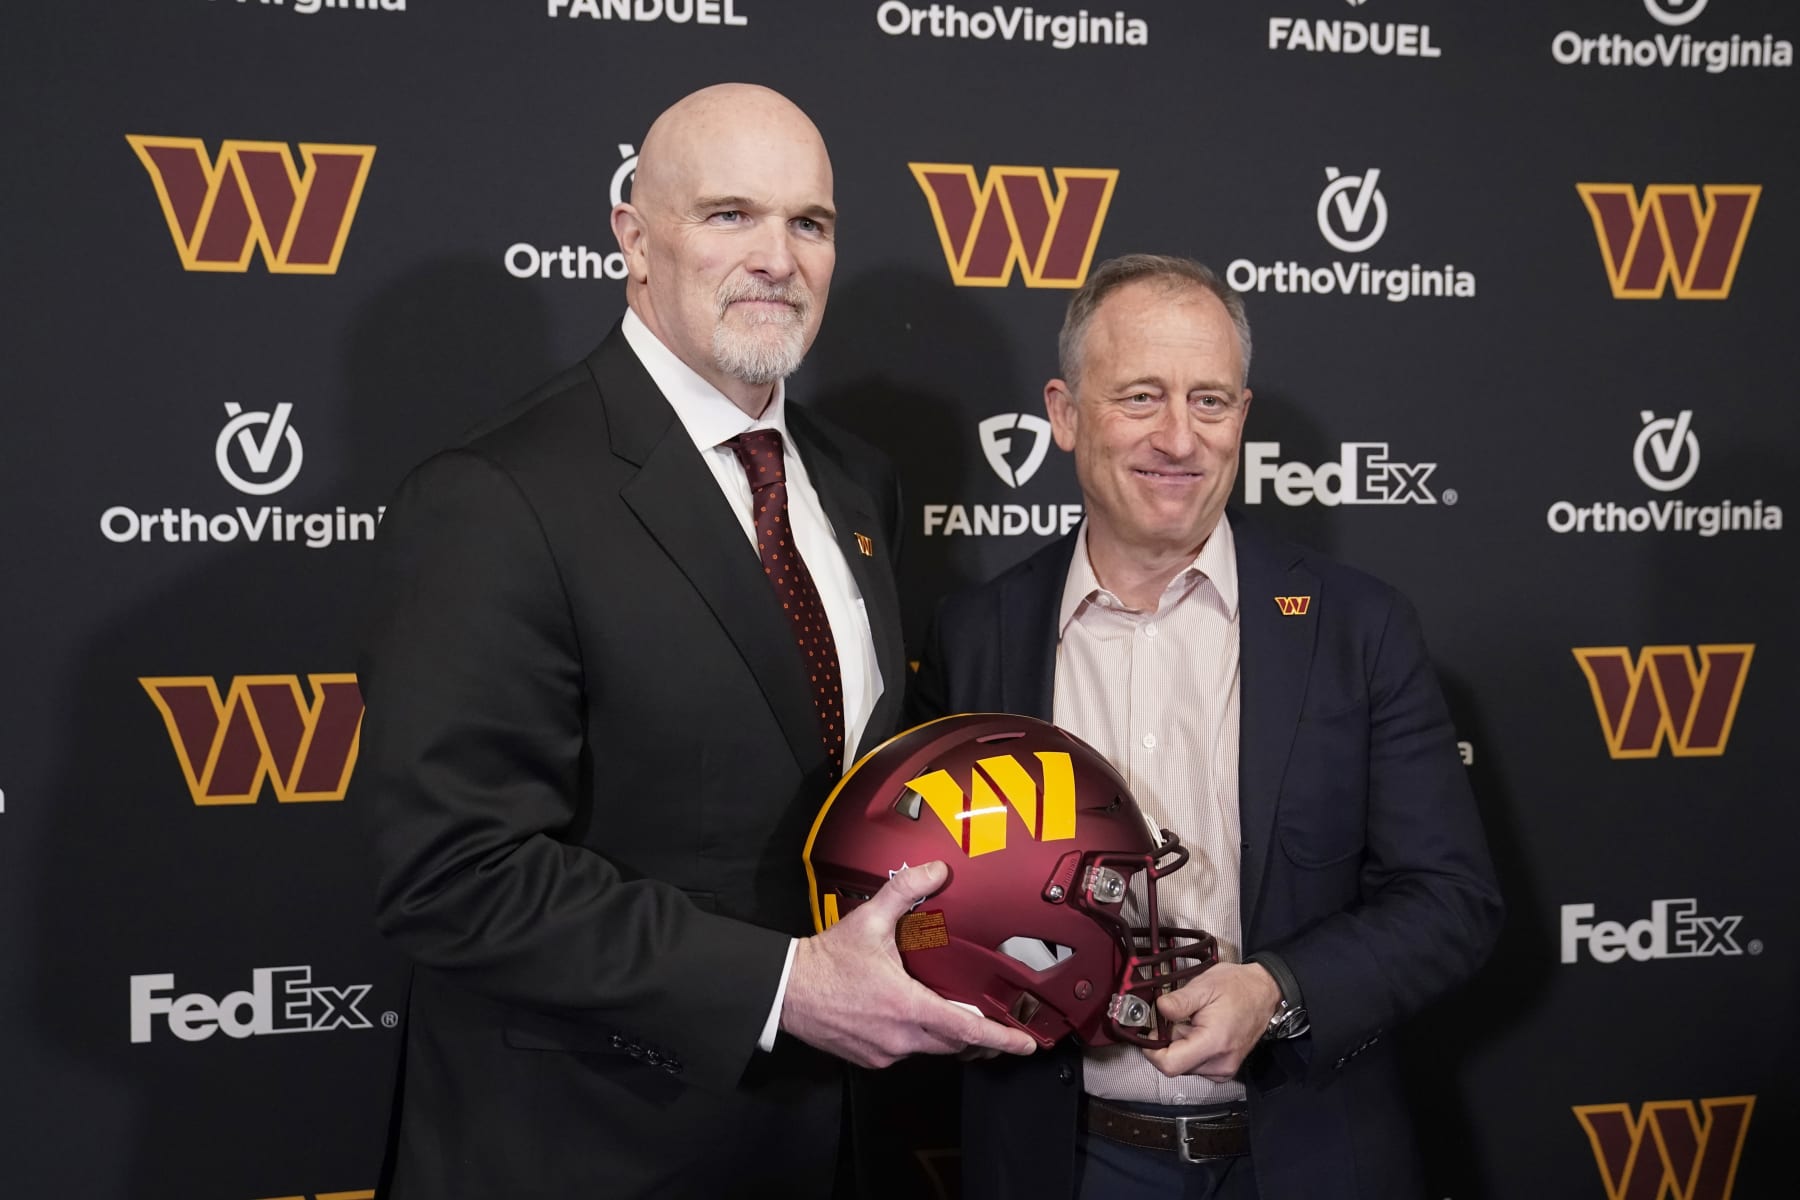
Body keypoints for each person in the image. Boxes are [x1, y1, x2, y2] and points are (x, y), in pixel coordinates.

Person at [356, 83, 1034, 1200]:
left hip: (834, 1147)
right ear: (633, 238)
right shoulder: (496, 495)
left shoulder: (859, 482)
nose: (778, 256)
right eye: (729, 214)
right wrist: (786, 984)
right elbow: (451, 872)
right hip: (590, 1152)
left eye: (808, 224)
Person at [910, 254, 1503, 1199]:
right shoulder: (973, 637)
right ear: (1064, 414)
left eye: (1211, 401)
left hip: (1305, 1155)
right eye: (1141, 397)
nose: (1179, 438)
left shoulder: (1361, 628)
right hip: (1061, 1161)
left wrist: (1280, 991)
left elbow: (1451, 900)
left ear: (1242, 418)